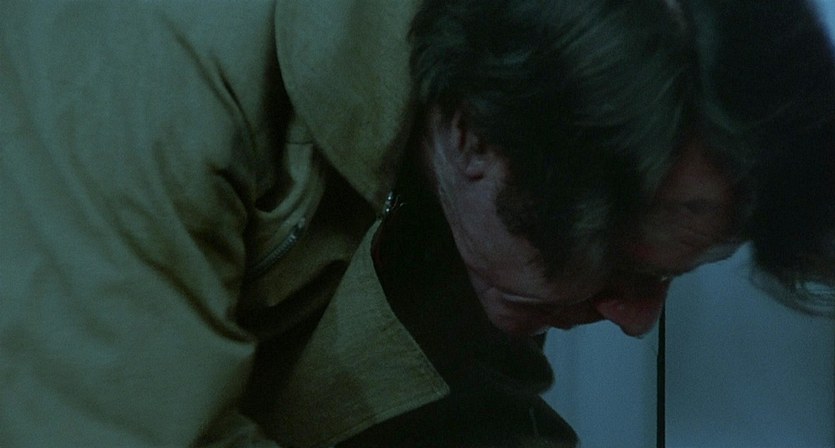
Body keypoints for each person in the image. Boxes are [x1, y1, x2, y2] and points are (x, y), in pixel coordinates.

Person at [0, 1, 832, 447]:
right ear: (475, 138)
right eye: (628, 269)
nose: (636, 318)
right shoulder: (158, 77)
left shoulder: (487, 128)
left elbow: (456, 406)